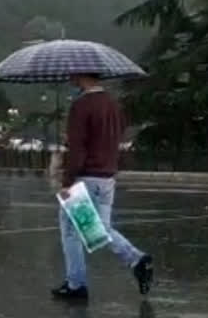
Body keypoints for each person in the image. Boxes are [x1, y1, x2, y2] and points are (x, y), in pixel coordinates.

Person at [52, 73, 153, 300]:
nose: (70, 75)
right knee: (99, 229)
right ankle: (136, 260)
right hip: (106, 177)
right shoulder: (113, 104)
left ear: (82, 75)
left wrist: (67, 182)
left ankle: (76, 284)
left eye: (74, 72)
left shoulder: (81, 105)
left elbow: (78, 150)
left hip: (85, 178)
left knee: (71, 231)